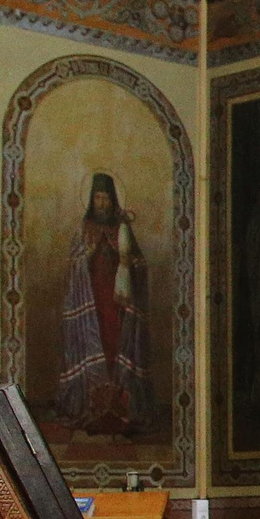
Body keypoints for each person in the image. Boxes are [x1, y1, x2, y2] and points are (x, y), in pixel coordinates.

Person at [54, 172, 153, 437]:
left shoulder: (122, 228)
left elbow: (140, 264)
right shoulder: (83, 228)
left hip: (117, 305)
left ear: (112, 199)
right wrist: (85, 257)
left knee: (115, 349)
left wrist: (127, 264)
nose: (101, 203)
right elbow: (72, 265)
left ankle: (121, 410)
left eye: (105, 198)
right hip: (91, 305)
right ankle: (93, 410)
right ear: (91, 199)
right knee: (95, 349)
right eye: (97, 198)